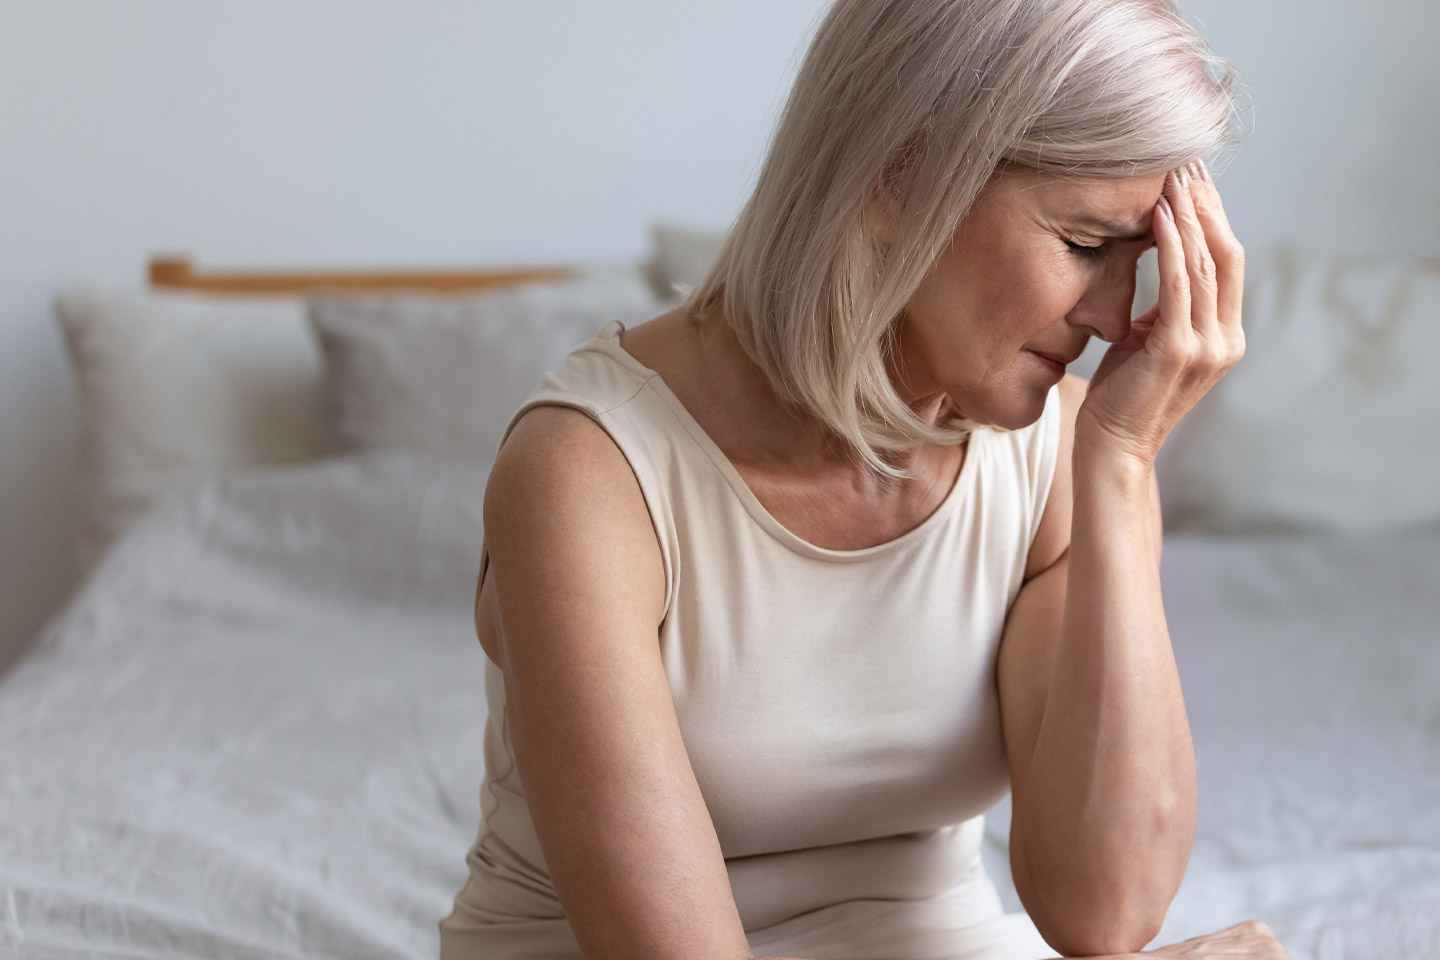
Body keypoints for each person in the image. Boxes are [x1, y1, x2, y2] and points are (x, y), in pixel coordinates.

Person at [441, 0, 1292, 958]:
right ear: (897, 178)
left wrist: (1123, 466)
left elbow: (1106, 915)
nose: (1110, 317)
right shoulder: (589, 475)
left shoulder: (1055, 450)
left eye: (1141, 260)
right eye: (1087, 246)